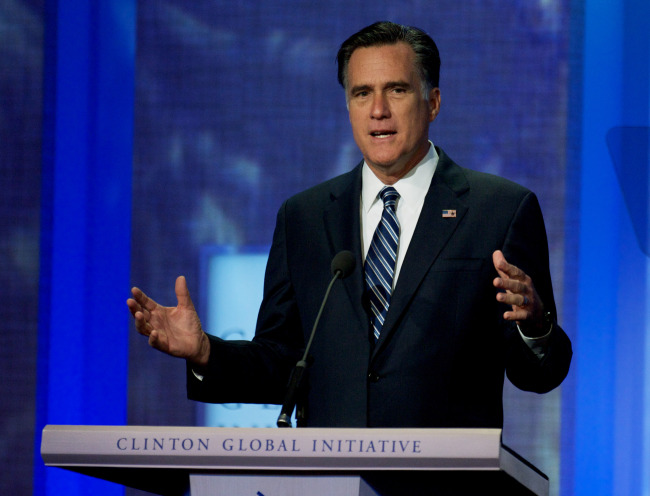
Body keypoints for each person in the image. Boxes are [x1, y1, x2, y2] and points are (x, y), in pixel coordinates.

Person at [127, 21, 572, 428]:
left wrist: (534, 326)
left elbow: (540, 373)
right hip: (329, 480)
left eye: (396, 90)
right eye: (362, 93)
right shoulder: (304, 217)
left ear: (432, 102)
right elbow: (283, 364)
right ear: (348, 106)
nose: (377, 109)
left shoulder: (500, 209)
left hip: (445, 482)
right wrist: (206, 352)